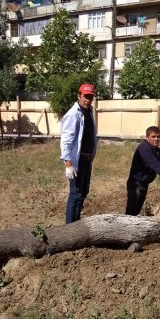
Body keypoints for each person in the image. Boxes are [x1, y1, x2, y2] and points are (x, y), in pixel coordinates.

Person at [60, 83, 97, 224]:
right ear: (79, 96)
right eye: (85, 97)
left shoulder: (88, 112)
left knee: (83, 192)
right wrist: (68, 164)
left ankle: (77, 223)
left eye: (90, 97)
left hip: (87, 160)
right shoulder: (73, 114)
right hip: (77, 161)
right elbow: (66, 141)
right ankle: (70, 228)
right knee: (75, 194)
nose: (88, 99)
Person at [125, 126, 160, 216]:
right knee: (131, 212)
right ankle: (124, 229)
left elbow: (159, 167)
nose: (156, 139)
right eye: (153, 136)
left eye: (158, 137)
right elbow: (155, 165)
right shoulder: (143, 148)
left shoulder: (157, 150)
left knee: (135, 211)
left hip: (144, 184)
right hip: (136, 184)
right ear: (147, 137)